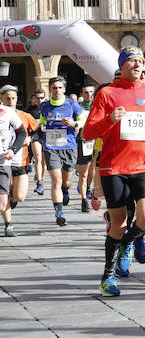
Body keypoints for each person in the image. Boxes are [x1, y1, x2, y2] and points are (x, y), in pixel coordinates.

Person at [82, 47, 145, 297]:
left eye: (141, 61)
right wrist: (109, 119)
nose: (138, 65)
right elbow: (88, 132)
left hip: (144, 164)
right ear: (122, 65)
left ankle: (129, 242)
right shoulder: (107, 93)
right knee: (117, 224)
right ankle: (108, 275)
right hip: (114, 167)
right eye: (132, 61)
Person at [39, 76, 87, 226]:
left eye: (60, 88)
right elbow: (42, 121)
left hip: (69, 146)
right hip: (51, 147)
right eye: (54, 88)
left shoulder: (72, 104)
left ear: (64, 89)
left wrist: (74, 123)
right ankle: (59, 213)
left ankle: (65, 190)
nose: (57, 90)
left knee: (66, 182)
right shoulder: (44, 105)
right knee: (56, 180)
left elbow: (83, 120)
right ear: (50, 89)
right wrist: (41, 127)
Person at [0, 85, 37, 236]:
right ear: (1, 98)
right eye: (7, 98)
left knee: (19, 196)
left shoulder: (24, 115)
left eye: (13, 98)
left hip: (20, 160)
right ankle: (9, 225)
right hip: (4, 161)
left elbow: (38, 132)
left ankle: (10, 195)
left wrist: (31, 139)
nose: (10, 101)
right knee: (4, 198)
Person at [0, 94, 26, 239]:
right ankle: (8, 225)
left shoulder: (7, 112)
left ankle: (8, 223)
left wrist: (13, 149)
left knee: (3, 204)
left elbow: (21, 133)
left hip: (2, 162)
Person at [75, 84, 96, 212]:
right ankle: (84, 200)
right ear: (82, 95)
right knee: (83, 174)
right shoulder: (78, 109)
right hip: (82, 142)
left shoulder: (97, 107)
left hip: (96, 143)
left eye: (90, 92)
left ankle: (87, 188)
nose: (89, 95)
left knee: (92, 172)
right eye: (86, 92)